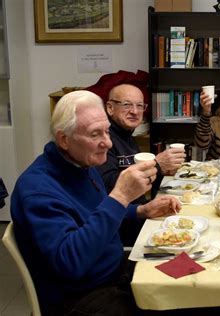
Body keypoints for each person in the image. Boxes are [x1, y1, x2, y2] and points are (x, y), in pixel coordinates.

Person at [10, 90, 181, 315]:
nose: (108, 143)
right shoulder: (38, 190)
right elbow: (71, 262)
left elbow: (97, 214)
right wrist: (120, 196)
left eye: (107, 132)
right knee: (173, 303)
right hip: (80, 295)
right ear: (64, 139)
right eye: (94, 135)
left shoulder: (80, 163)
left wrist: (140, 210)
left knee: (186, 277)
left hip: (112, 270)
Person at [97, 84, 186, 245]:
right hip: (120, 229)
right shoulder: (105, 141)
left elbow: (142, 186)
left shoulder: (129, 138)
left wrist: (163, 172)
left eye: (139, 106)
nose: (135, 111)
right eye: (127, 105)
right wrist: (157, 165)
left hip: (138, 216)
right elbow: (109, 186)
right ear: (110, 108)